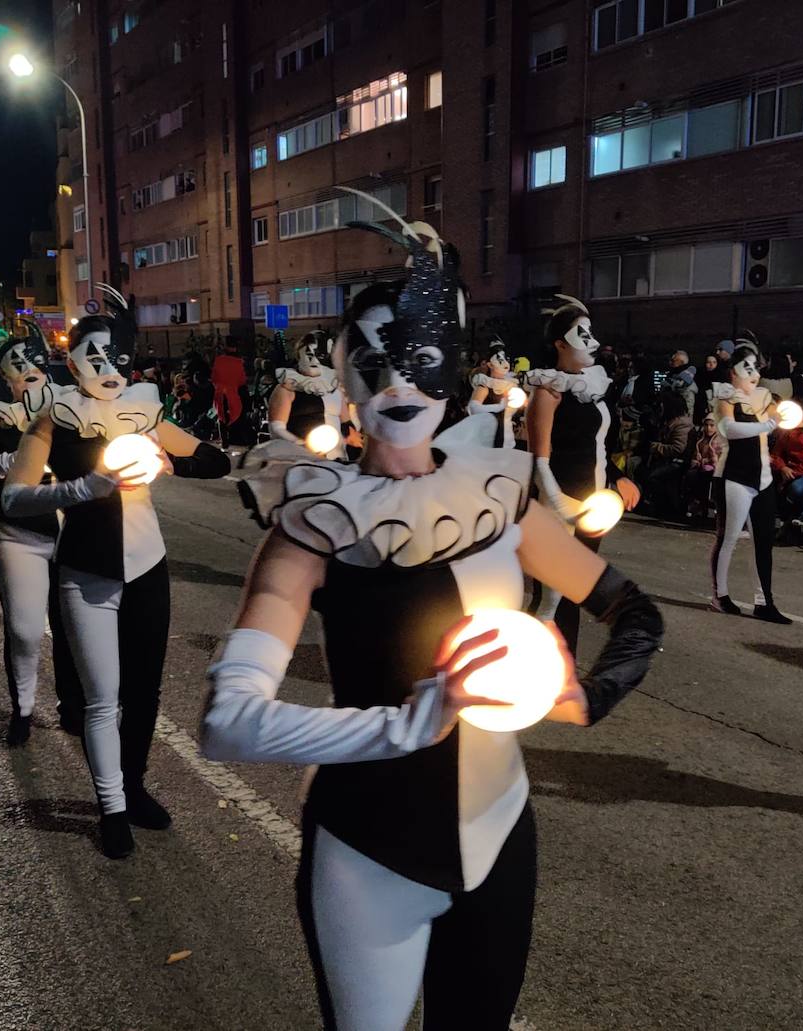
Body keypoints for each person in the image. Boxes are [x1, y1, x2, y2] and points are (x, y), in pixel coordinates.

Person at [199, 212, 663, 1031]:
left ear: (449, 364)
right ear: (343, 375)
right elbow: (228, 723)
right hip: (368, 852)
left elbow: (636, 613)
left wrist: (585, 695)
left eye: (418, 359)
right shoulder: (316, 521)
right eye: (372, 363)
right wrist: (405, 725)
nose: (396, 386)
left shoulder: (501, 494)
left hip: (499, 835)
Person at [2, 284, 231, 859]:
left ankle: (133, 786)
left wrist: (167, 458)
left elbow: (214, 459)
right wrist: (86, 487)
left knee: (144, 691)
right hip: (86, 571)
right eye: (95, 357)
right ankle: (112, 809)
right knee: (103, 698)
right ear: (73, 359)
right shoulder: (57, 416)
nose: (107, 369)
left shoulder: (144, 410)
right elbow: (14, 498)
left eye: (119, 359)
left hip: (148, 565)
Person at [0, 322, 84, 744]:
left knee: (76, 629)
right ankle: (22, 709)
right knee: (25, 630)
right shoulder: (0, 418)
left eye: (36, 370)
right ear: (5, 380)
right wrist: (5, 463)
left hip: (77, 532)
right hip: (19, 534)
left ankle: (75, 707)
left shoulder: (77, 408)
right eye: (18, 374)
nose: (29, 380)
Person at [526, 295, 642, 655]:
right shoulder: (548, 392)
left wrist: (618, 479)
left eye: (590, 332)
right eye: (581, 333)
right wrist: (558, 503)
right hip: (559, 500)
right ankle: (530, 666)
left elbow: (601, 448)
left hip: (592, 505)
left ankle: (565, 666)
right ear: (560, 343)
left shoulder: (594, 389)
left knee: (574, 588)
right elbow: (538, 458)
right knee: (550, 595)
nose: (591, 341)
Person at [707, 348, 791, 623]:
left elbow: (781, 416)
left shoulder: (763, 396)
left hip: (763, 477)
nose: (755, 374)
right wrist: (767, 424)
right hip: (734, 476)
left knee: (763, 542)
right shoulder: (724, 395)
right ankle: (720, 595)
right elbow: (729, 429)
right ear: (732, 372)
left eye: (757, 368)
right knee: (728, 537)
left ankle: (764, 602)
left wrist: (784, 415)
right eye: (747, 368)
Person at [269, 331, 347, 459]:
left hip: (337, 457)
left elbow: (346, 421)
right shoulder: (287, 387)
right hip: (304, 459)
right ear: (299, 356)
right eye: (309, 355)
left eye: (318, 355)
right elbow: (276, 428)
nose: (314, 360)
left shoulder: (334, 385)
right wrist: (301, 445)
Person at [466, 337, 522, 448]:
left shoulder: (510, 385)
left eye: (505, 358)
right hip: (487, 444)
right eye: (499, 359)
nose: (505, 363)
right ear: (490, 364)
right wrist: (499, 406)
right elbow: (473, 408)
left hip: (507, 444)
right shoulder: (484, 385)